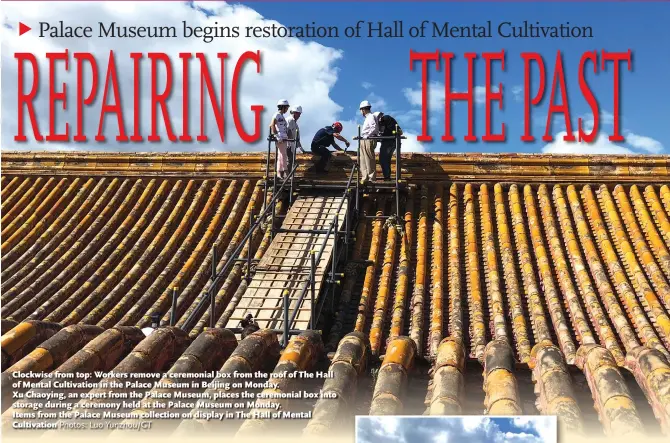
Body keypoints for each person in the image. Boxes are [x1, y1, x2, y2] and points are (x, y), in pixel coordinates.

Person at [375, 112, 403, 180]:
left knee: (384, 159)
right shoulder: (386, 121)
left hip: (390, 142)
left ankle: (387, 177)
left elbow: (399, 132)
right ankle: (387, 177)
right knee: (384, 159)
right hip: (389, 142)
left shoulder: (386, 119)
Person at [359, 100, 379, 185]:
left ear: (363, 109)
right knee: (363, 159)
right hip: (364, 139)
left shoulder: (371, 117)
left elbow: (374, 128)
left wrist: (368, 135)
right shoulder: (367, 118)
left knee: (369, 159)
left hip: (368, 139)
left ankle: (371, 177)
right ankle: (365, 177)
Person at [269, 99, 290, 179]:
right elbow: (272, 125)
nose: (287, 109)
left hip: (283, 137)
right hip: (280, 137)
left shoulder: (282, 116)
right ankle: (285, 171)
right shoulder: (277, 115)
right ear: (283, 107)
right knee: (283, 155)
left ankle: (279, 172)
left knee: (281, 155)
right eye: (286, 107)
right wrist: (277, 136)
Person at [286, 106, 304, 173]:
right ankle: (286, 176)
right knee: (289, 161)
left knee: (292, 161)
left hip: (291, 146)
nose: (299, 116)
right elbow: (288, 131)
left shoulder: (295, 124)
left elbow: (297, 138)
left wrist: (301, 149)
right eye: (298, 114)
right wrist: (291, 141)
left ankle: (288, 176)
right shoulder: (290, 120)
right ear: (294, 113)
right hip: (288, 145)